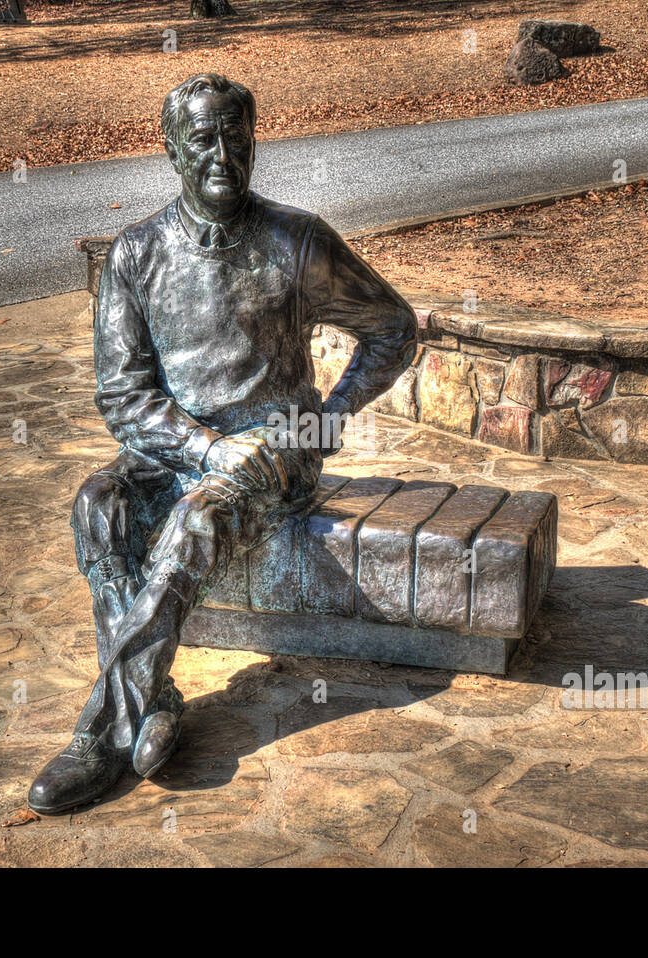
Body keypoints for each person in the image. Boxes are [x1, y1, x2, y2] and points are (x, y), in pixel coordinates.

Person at [28, 73, 418, 814]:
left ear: (252, 141)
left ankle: (102, 736)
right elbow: (122, 396)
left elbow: (393, 329)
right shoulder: (136, 256)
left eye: (235, 136)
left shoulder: (298, 242)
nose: (221, 154)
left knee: (197, 521)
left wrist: (326, 419)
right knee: (97, 506)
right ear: (172, 149)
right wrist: (204, 449)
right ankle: (153, 699)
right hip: (180, 452)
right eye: (202, 138)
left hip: (275, 452)